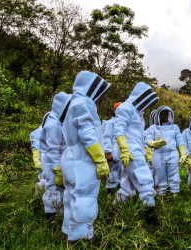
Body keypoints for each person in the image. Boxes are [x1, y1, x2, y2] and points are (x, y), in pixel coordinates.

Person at [61, 71, 110, 241]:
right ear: (89, 86)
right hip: (84, 160)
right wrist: (100, 159)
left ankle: (68, 233)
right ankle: (81, 241)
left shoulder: (72, 103)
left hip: (71, 158)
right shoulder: (83, 103)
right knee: (84, 200)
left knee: (70, 199)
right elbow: (87, 133)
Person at [114, 82, 159, 223]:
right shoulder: (125, 108)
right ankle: (149, 215)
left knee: (128, 186)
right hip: (129, 149)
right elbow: (118, 130)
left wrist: (147, 148)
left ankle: (115, 209)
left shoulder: (139, 113)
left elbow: (139, 135)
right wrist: (125, 149)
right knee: (145, 179)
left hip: (135, 149)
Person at [40, 92, 70, 219]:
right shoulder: (53, 125)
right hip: (52, 162)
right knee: (53, 189)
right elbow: (52, 150)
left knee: (61, 190)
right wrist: (57, 169)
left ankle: (59, 215)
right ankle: (50, 218)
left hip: (57, 161)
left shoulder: (57, 121)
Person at [145, 106, 187, 196]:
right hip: (158, 155)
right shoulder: (153, 128)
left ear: (170, 114)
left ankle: (175, 194)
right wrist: (152, 143)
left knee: (174, 174)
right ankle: (161, 195)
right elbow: (147, 140)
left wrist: (183, 153)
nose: (165, 115)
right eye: (162, 113)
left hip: (172, 154)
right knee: (160, 176)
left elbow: (180, 141)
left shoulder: (175, 127)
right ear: (158, 115)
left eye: (167, 113)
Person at [102, 102, 123, 194]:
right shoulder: (110, 123)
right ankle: (110, 192)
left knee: (123, 172)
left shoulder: (124, 123)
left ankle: (120, 193)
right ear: (114, 111)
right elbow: (106, 137)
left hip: (123, 150)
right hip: (114, 149)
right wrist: (109, 152)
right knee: (113, 172)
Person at [30, 112, 50, 193]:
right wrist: (36, 160)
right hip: (43, 157)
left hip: (49, 157)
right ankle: (39, 197)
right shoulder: (38, 132)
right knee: (43, 178)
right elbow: (36, 146)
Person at [144, 109, 157, 177]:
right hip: (151, 154)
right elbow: (146, 143)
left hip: (162, 154)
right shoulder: (147, 131)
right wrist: (149, 156)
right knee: (150, 171)